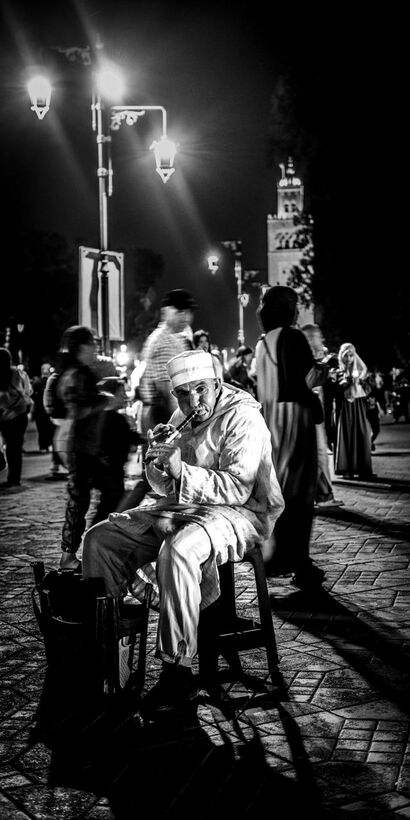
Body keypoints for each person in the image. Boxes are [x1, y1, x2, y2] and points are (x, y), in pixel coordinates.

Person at [82, 349, 284, 714]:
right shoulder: (181, 416)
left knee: (178, 549)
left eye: (201, 390)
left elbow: (239, 488)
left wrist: (181, 471)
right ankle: (108, 653)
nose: (193, 401)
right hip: (189, 508)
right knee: (99, 539)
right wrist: (157, 461)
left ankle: (178, 670)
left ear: (217, 385)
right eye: (183, 393)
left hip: (241, 512)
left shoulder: (243, 417)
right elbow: (165, 489)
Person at [254, 286, 334, 587]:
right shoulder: (292, 337)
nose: (298, 311)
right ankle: (298, 561)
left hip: (272, 421)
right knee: (300, 494)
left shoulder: (263, 343)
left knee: (280, 492)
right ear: (286, 308)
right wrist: (320, 374)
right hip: (295, 421)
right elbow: (300, 382)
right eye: (295, 305)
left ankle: (278, 557)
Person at [127, 288, 199, 509]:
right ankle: (117, 518)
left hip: (159, 413)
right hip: (161, 415)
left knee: (155, 476)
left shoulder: (170, 338)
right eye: (180, 312)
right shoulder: (164, 341)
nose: (185, 317)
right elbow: (168, 389)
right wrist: (181, 424)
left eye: (187, 312)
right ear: (167, 311)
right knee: (156, 476)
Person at [53, 325, 114, 570]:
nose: (96, 349)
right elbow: (79, 411)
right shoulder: (76, 375)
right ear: (81, 348)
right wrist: (105, 401)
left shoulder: (81, 373)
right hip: (79, 446)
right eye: (92, 344)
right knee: (79, 500)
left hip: (87, 446)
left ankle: (92, 545)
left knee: (103, 493)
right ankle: (69, 556)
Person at [301, 324, 343, 508]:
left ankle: (321, 494)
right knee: (318, 452)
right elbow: (310, 380)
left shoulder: (307, 355)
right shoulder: (304, 356)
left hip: (314, 412)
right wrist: (326, 368)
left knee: (318, 452)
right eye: (317, 336)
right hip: (310, 412)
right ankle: (324, 495)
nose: (321, 340)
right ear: (310, 338)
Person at [94, 376, 141, 518]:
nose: (125, 397)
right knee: (110, 504)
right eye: (121, 393)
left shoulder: (103, 417)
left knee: (108, 503)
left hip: (110, 469)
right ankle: (98, 533)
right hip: (110, 470)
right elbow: (130, 437)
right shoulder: (113, 419)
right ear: (111, 396)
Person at [333, 342, 373, 479]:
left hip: (359, 403)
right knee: (347, 434)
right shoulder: (338, 370)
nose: (349, 359)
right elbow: (335, 389)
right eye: (346, 356)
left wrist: (361, 382)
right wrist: (344, 383)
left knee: (361, 432)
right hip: (345, 406)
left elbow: (368, 389)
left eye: (351, 355)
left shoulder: (362, 371)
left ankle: (362, 468)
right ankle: (347, 468)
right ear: (341, 356)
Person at [0, 347, 33, 488]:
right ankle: (14, 478)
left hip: (2, 415)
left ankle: (9, 474)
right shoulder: (19, 373)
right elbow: (29, 391)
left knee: (8, 446)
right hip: (19, 414)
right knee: (15, 447)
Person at [30, 362, 56, 454]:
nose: (45, 371)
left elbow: (32, 396)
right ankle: (46, 445)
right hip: (45, 409)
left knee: (44, 429)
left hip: (42, 410)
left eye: (46, 369)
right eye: (44, 369)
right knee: (46, 428)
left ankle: (44, 446)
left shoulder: (38, 382)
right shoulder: (51, 380)